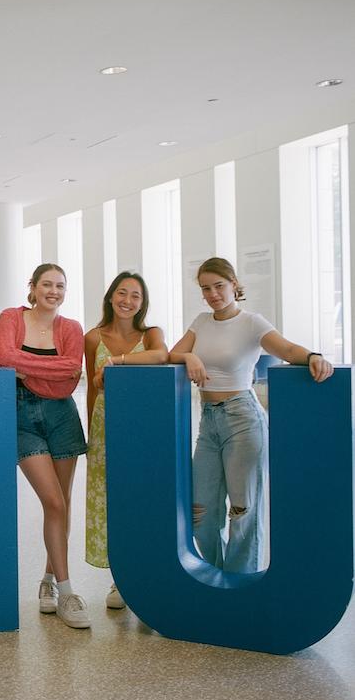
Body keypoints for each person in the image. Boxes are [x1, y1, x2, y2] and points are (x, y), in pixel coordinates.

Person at [169, 257, 333, 573]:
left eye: (219, 285)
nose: (213, 294)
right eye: (206, 288)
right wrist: (189, 355)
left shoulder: (252, 322)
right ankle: (213, 576)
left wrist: (313, 356)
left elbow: (285, 350)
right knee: (201, 511)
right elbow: (171, 353)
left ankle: (239, 583)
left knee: (243, 511)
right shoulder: (201, 322)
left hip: (243, 420)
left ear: (234, 285)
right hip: (209, 421)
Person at [0, 264, 90, 628]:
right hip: (21, 416)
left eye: (60, 286)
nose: (53, 291)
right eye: (46, 285)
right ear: (32, 288)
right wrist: (52, 368)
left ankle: (49, 582)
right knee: (52, 501)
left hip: (62, 416)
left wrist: (27, 368)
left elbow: (72, 373)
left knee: (62, 505)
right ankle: (68, 594)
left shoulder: (71, 328)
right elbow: (4, 357)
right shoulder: (11, 317)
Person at [84, 272, 167, 609]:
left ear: (142, 303)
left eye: (135, 296)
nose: (127, 301)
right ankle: (121, 579)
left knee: (141, 498)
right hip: (105, 427)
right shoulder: (92, 338)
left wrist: (117, 362)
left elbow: (161, 357)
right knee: (110, 502)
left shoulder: (150, 335)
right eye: (122, 293)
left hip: (142, 429)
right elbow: (92, 387)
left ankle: (146, 571)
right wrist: (92, 435)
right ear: (110, 296)